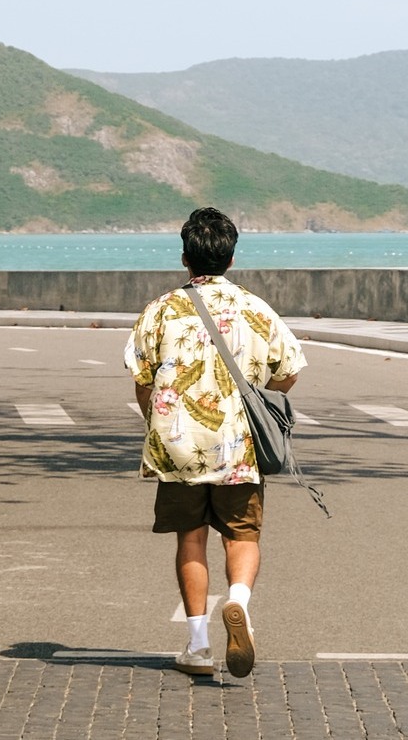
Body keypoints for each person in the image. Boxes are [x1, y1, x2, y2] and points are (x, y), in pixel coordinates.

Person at [125, 206, 306, 678]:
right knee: (242, 534)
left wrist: (159, 417)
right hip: (238, 448)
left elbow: (141, 378)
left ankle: (199, 646)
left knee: (191, 538)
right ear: (230, 259)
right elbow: (289, 369)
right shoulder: (254, 308)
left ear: (185, 259)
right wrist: (256, 404)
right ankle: (240, 602)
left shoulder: (161, 309)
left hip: (178, 447)